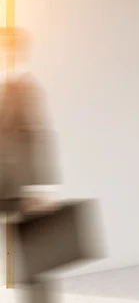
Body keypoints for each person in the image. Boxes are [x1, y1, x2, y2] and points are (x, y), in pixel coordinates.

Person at [0, 27, 60, 302]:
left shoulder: (23, 86)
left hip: (17, 184)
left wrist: (40, 185)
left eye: (8, 46)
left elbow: (38, 133)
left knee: (34, 253)